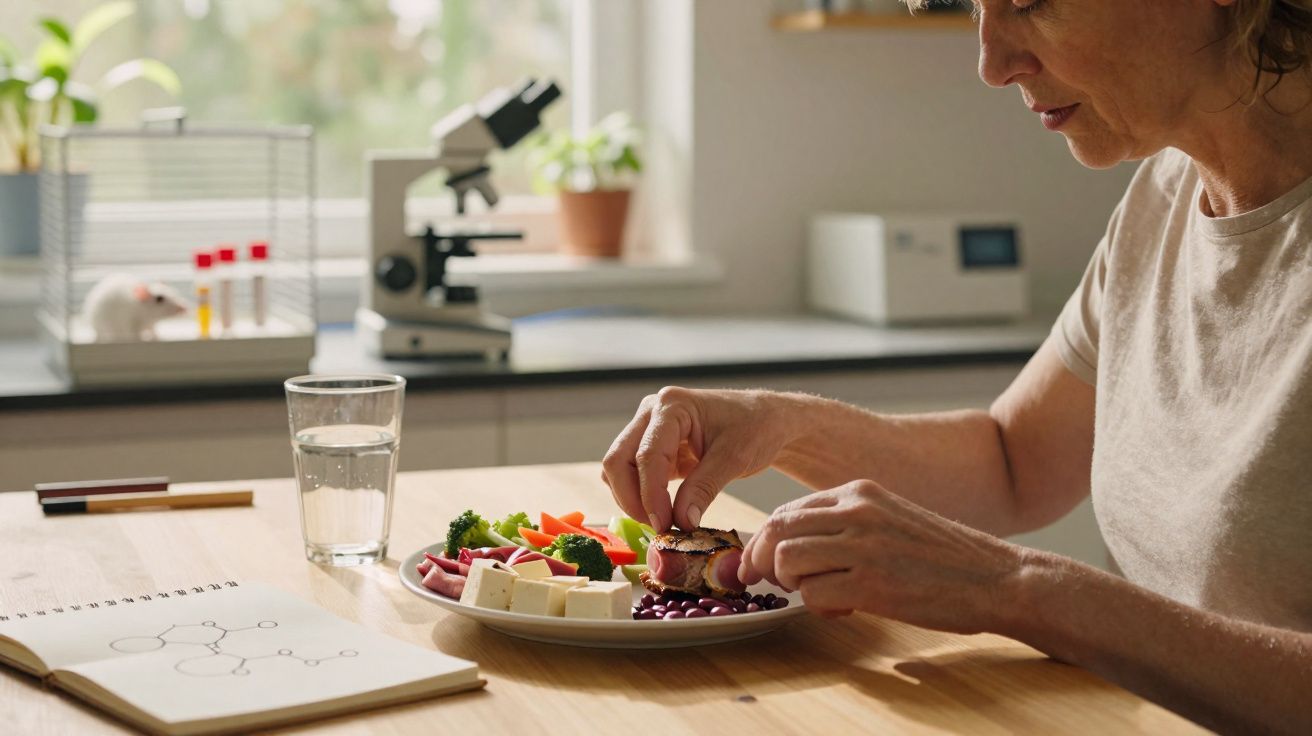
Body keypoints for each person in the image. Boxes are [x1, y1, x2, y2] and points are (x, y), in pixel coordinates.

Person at [602, 1, 1312, 732]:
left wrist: (1018, 587)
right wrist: (780, 426)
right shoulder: (1165, 193)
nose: (992, 63)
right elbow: (1012, 460)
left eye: (1030, 3)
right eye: (976, 6)